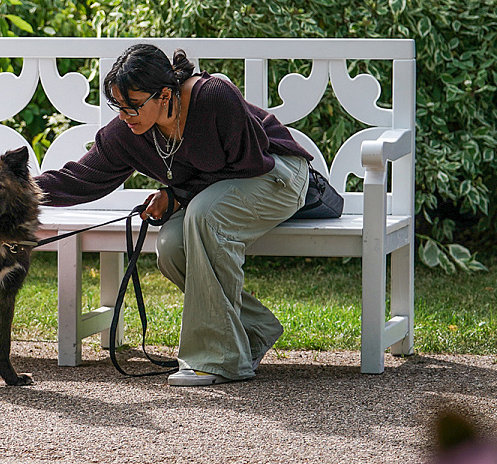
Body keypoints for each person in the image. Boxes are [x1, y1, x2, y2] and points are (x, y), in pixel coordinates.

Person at [35, 43, 313, 386]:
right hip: (212, 196)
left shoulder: (213, 97)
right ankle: (254, 330)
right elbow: (81, 178)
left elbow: (250, 162)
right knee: (170, 246)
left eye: (134, 105)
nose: (125, 115)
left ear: (165, 95)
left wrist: (177, 195)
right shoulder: (128, 132)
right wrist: (9, 192)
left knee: (204, 217)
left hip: (277, 175)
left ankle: (217, 360)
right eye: (118, 105)